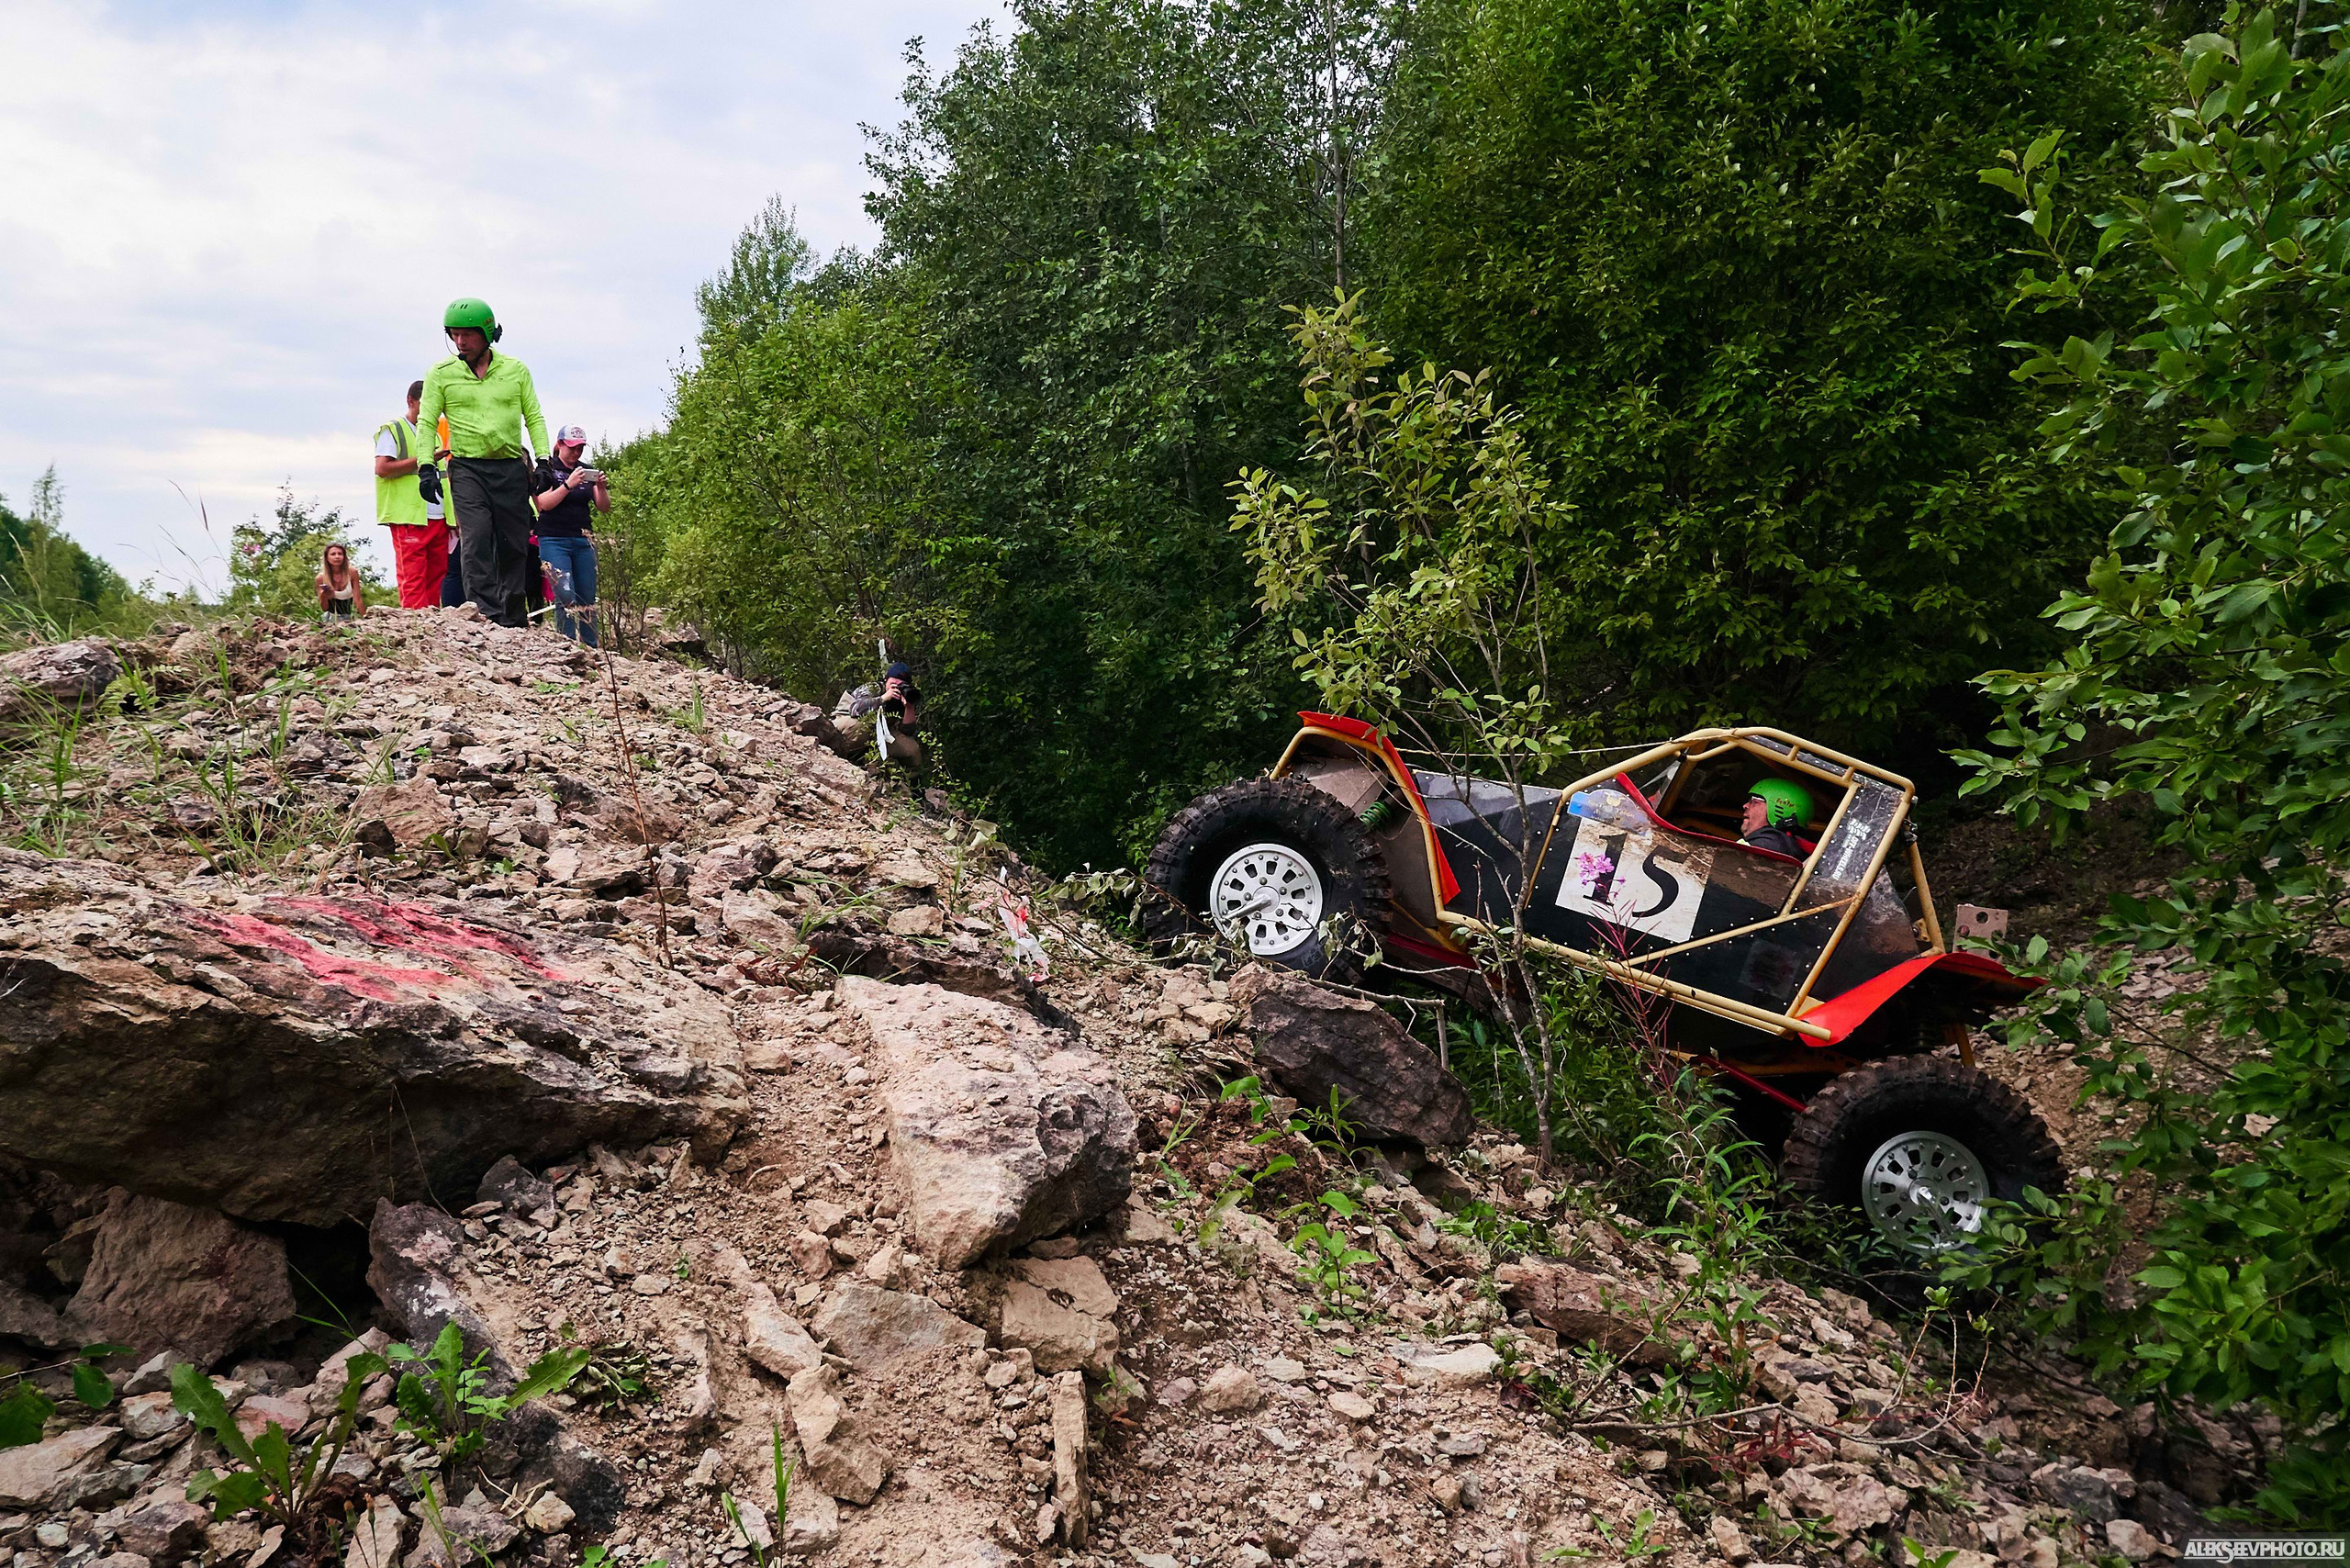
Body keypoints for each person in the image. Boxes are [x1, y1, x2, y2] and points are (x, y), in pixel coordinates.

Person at [417, 297, 548, 628]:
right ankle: (485, 615)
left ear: (487, 333)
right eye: (453, 335)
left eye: (467, 335)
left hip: (509, 468)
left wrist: (544, 459)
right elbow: (427, 421)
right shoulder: (441, 373)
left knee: (514, 545)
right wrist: (425, 466)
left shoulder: (515, 370)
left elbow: (533, 416)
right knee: (475, 538)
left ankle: (513, 615)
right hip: (467, 469)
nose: (460, 342)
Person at [372, 381, 449, 608]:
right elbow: (383, 469)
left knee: (436, 576)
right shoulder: (393, 429)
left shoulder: (434, 435)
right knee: (412, 577)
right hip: (409, 515)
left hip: (437, 515)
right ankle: (416, 626)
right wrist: (424, 460)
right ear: (411, 401)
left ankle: (431, 624)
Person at [531, 424, 609, 645]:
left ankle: (590, 644)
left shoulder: (586, 470)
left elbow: (604, 507)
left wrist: (601, 487)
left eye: (580, 448)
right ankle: (566, 643)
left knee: (586, 594)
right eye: (572, 448)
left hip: (583, 539)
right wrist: (568, 484)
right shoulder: (548, 470)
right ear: (560, 445)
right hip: (554, 538)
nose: (576, 453)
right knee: (565, 593)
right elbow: (543, 504)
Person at [832, 660, 923, 766]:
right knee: (860, 726)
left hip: (879, 732)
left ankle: (908, 778)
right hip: (847, 723)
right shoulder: (873, 688)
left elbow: (907, 731)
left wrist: (909, 708)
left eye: (901, 685)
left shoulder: (903, 697)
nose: (896, 688)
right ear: (886, 680)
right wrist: (883, 698)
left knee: (911, 750)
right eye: (893, 684)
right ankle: (839, 755)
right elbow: (855, 709)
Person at [1740, 778, 1812, 857]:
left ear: (1777, 809)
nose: (1745, 806)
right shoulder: (1787, 847)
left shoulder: (1764, 846)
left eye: (1754, 801)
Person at [316, 543, 366, 620]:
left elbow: (358, 599)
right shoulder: (321, 578)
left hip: (349, 617)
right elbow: (324, 608)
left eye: (340, 554)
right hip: (330, 618)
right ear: (327, 558)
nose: (337, 557)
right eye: (333, 554)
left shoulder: (352, 572)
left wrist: (365, 618)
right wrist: (324, 595)